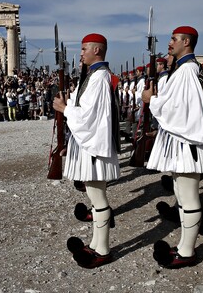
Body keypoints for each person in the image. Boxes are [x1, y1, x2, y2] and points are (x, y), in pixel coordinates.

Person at [142, 26, 203, 269]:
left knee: (189, 197)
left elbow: (181, 111)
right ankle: (185, 245)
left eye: (174, 39)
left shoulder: (187, 71)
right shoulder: (184, 69)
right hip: (182, 143)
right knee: (183, 196)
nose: (170, 43)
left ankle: (187, 251)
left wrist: (152, 101)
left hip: (188, 143)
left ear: (186, 41)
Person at [53, 33, 120, 269]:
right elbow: (86, 108)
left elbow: (92, 117)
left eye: (84, 49)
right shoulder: (94, 76)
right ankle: (96, 244)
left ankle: (102, 250)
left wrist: (65, 109)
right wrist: (70, 104)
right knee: (95, 197)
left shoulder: (99, 78)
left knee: (98, 199)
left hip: (93, 146)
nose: (80, 54)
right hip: (89, 145)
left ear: (97, 50)